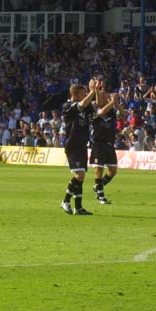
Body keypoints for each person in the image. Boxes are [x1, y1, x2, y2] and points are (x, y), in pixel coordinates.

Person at [61, 79, 97, 216]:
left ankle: (78, 207)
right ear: (75, 94)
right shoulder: (67, 106)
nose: (86, 95)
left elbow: (97, 105)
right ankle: (65, 201)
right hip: (72, 145)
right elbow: (81, 105)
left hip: (82, 144)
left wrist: (97, 91)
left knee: (81, 177)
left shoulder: (86, 106)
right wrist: (93, 91)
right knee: (79, 175)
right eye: (83, 93)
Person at [90, 80, 121, 205]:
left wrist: (116, 104)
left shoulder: (111, 110)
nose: (106, 97)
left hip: (109, 143)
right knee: (99, 170)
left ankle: (98, 186)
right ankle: (100, 196)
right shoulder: (93, 108)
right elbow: (100, 112)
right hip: (98, 143)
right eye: (103, 95)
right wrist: (112, 102)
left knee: (113, 171)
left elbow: (123, 115)